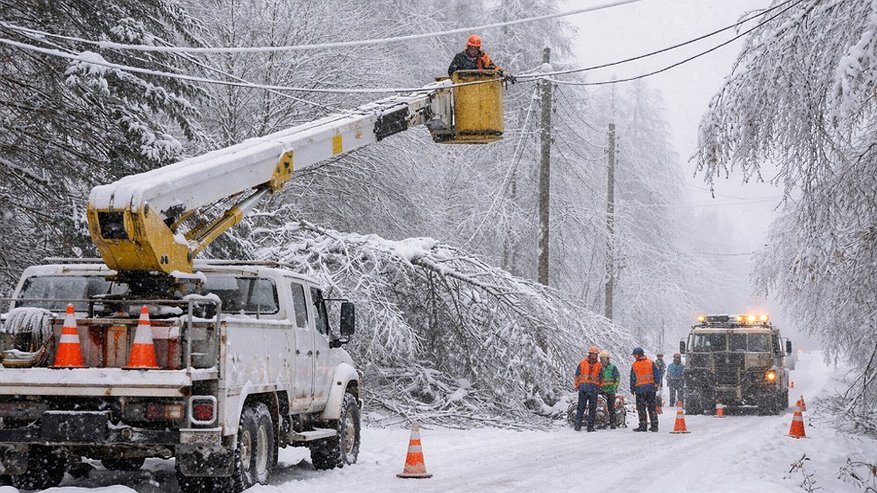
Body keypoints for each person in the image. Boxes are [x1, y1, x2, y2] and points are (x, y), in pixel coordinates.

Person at [630, 347, 661, 432]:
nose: (634, 356)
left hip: (640, 390)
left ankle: (643, 425)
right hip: (650, 389)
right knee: (652, 408)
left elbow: (632, 378)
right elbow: (657, 374)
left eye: (635, 355)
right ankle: (654, 425)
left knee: (641, 408)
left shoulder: (634, 365)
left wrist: (632, 388)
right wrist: (657, 384)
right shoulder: (650, 362)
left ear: (639, 354)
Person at [573, 346, 602, 432]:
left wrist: (600, 387)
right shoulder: (582, 363)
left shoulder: (599, 365)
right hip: (584, 389)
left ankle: (590, 427)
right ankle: (577, 426)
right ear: (590, 354)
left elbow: (601, 377)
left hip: (593, 389)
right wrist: (577, 385)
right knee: (581, 408)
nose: (594, 356)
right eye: (593, 354)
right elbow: (577, 375)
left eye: (595, 355)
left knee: (592, 409)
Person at [598, 351, 620, 429]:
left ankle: (612, 422)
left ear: (608, 359)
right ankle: (601, 420)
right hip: (601, 390)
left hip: (610, 390)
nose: (602, 361)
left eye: (604, 359)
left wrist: (615, 386)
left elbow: (617, 377)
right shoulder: (598, 367)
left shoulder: (613, 367)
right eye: (601, 359)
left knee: (611, 407)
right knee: (600, 406)